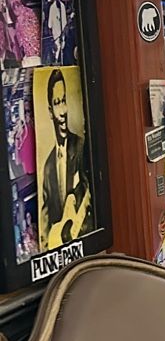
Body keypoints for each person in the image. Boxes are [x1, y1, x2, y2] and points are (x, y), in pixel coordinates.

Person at [40, 70, 90, 246]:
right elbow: (44, 229)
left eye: (64, 101)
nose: (63, 111)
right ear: (50, 111)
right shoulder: (47, 168)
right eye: (57, 103)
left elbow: (91, 194)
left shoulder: (81, 145)